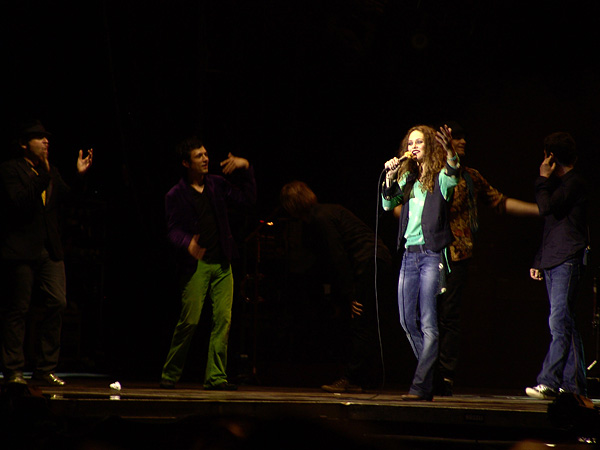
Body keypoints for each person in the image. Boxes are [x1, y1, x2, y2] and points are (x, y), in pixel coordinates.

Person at [407, 121, 539, 396]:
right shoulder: (425, 173)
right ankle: (425, 373)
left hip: (457, 253)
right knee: (419, 316)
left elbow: (498, 201)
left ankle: (443, 376)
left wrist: (540, 211)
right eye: (457, 137)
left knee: (448, 317)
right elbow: (403, 206)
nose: (464, 141)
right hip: (427, 251)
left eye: (465, 137)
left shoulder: (469, 176)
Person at [0, 120, 93, 387]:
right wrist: (44, 174)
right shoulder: (10, 169)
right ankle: (13, 369)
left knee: (58, 302)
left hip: (49, 249)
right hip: (20, 249)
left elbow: (67, 198)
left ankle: (45, 367)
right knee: (18, 309)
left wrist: (79, 176)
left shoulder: (50, 171)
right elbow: (20, 201)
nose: (46, 142)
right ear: (23, 143)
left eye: (47, 138)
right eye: (39, 138)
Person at [159, 136, 256, 390]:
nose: (205, 159)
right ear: (185, 163)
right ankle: (170, 374)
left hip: (222, 263)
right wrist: (187, 242)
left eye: (205, 154)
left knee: (223, 321)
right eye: (199, 156)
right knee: (189, 321)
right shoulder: (175, 194)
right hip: (197, 265)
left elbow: (247, 201)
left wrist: (246, 167)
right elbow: (171, 230)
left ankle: (215, 377)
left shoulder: (217, 184)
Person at [280, 181, 393, 393]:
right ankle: (367, 378)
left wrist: (350, 295)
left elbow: (337, 256)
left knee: (360, 321)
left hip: (369, 261)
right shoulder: (325, 212)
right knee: (366, 322)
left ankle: (353, 378)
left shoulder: (320, 218)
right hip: (375, 259)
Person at [382, 124, 458, 401]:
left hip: (431, 255)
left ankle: (420, 386)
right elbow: (389, 205)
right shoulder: (408, 178)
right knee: (405, 321)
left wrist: (450, 151)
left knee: (428, 323)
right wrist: (391, 176)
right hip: (408, 255)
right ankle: (433, 378)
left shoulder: (440, 178)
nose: (413, 147)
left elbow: (453, 172)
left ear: (429, 147)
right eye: (410, 142)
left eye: (420, 142)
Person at [526, 132, 589, 399]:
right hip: (554, 257)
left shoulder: (575, 182)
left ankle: (549, 381)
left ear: (550, 157)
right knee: (566, 323)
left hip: (568, 257)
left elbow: (546, 209)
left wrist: (541, 179)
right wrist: (540, 259)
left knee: (559, 321)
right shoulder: (560, 184)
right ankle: (574, 386)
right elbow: (551, 225)